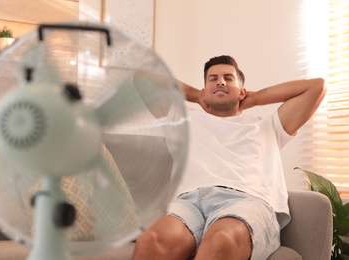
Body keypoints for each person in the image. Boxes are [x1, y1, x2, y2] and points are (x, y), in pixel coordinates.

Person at [132, 55, 326, 260]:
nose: (220, 82)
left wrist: (256, 98)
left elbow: (316, 87)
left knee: (221, 241)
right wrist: (196, 95)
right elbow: (143, 78)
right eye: (212, 78)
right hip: (188, 203)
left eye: (228, 78)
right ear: (205, 89)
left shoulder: (269, 126)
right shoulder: (182, 120)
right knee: (149, 241)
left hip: (246, 200)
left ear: (242, 90)